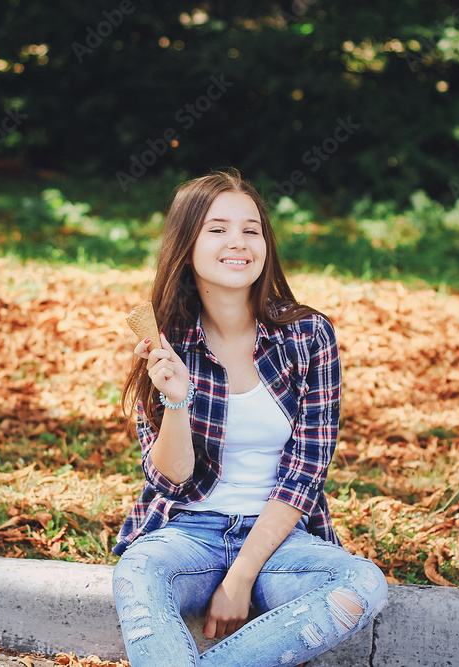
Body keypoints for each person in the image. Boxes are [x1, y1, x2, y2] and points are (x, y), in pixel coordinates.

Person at [112, 169, 388, 666]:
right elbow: (171, 479)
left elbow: (305, 474)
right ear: (186, 246)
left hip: (279, 542)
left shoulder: (308, 336)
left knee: (362, 583)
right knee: (136, 573)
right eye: (218, 229)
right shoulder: (165, 343)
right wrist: (176, 399)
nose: (238, 242)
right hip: (186, 534)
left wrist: (240, 577)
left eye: (251, 229)